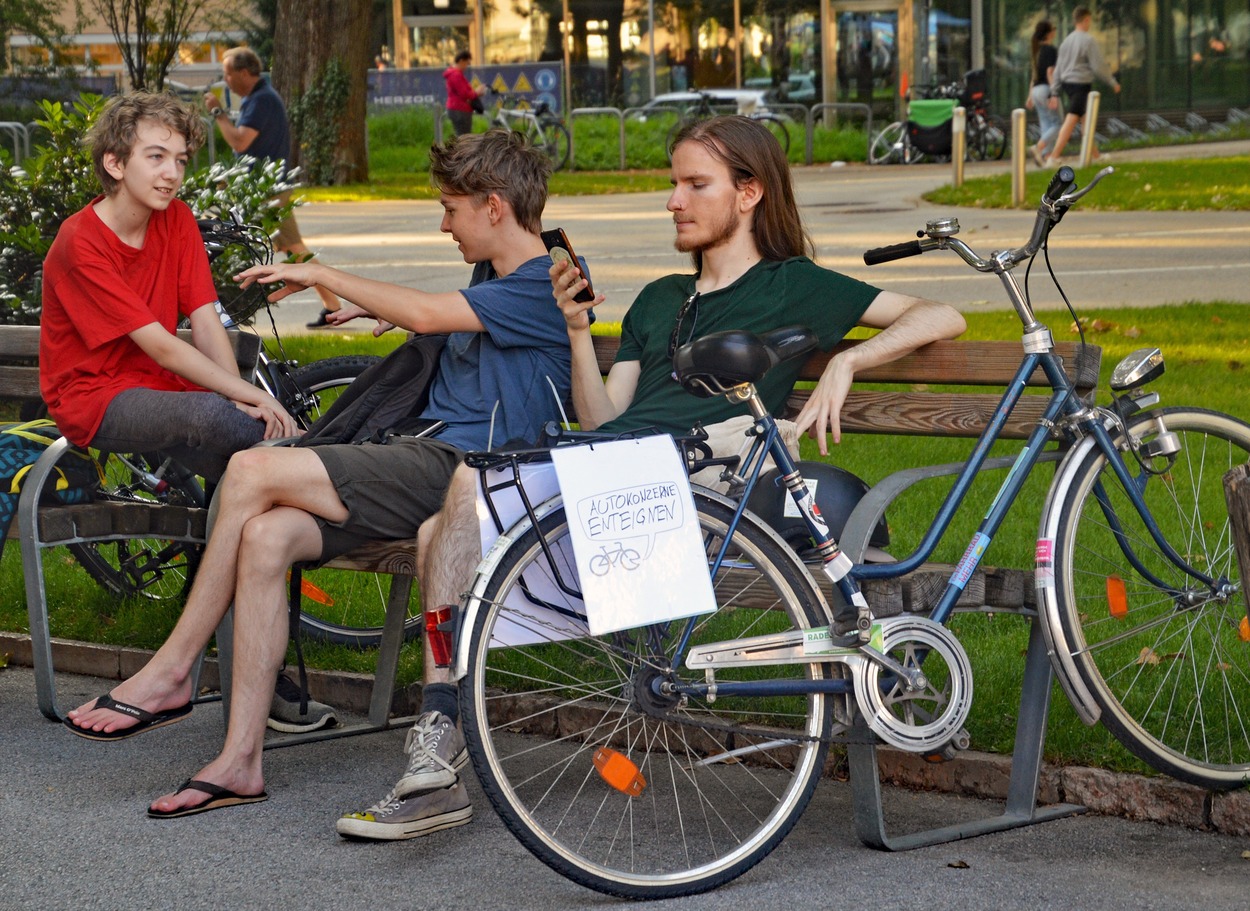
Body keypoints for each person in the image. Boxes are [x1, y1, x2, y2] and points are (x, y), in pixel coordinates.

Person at [332, 115, 967, 842]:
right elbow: (606, 422)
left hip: (694, 484)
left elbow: (940, 312)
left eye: (696, 184)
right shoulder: (661, 298)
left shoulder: (792, 286)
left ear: (750, 193)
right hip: (620, 473)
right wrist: (576, 332)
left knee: (464, 493)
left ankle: (440, 729)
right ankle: (440, 730)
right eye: (673, 183)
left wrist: (850, 359)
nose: (674, 199)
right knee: (439, 525)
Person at [62, 129, 576, 821]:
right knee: (268, 534)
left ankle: (172, 669)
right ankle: (240, 757)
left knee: (251, 468)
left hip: (466, 475)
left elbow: (431, 312)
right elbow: (445, 317)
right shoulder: (496, 279)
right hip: (422, 461)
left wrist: (326, 274)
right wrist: (385, 310)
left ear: (492, 206)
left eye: (450, 209)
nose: (443, 223)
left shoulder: (547, 281)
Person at [40, 91, 297, 486]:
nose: (172, 173)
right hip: (96, 398)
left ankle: (287, 499)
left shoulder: (176, 218)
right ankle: (313, 458)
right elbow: (160, 345)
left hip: (159, 383)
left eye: (180, 160)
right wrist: (251, 400)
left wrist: (240, 397)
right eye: (156, 157)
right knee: (214, 418)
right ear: (115, 163)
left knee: (252, 478)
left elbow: (205, 319)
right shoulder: (79, 242)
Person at [204, 47, 343, 329]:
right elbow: (250, 150)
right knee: (261, 247)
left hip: (269, 192)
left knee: (292, 248)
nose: (226, 80)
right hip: (262, 190)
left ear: (244, 73)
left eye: (228, 74)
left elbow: (239, 142)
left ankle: (334, 306)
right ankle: (332, 306)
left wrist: (218, 112)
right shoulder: (258, 99)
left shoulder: (262, 100)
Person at [1045, 7, 1121, 166]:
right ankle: (1053, 156)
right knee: (1072, 118)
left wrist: (1055, 91)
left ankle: (1095, 155)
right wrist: (1112, 82)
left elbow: (1058, 68)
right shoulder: (1088, 40)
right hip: (1081, 84)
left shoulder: (1066, 41)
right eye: (1090, 21)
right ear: (1086, 20)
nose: (1090, 24)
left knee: (1086, 120)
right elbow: (1098, 65)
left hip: (1067, 84)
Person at [1026, 20, 1061, 167]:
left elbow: (1034, 76)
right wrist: (1054, 94)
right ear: (1048, 33)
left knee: (1045, 124)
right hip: (1046, 89)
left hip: (1036, 91)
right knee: (1057, 124)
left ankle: (1045, 156)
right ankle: (1038, 148)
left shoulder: (1037, 51)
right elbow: (1050, 73)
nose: (1055, 31)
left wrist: (1029, 96)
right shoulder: (1050, 50)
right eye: (1053, 29)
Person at [444, 50, 482, 138]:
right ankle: (460, 152)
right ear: (461, 61)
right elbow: (464, 94)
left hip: (456, 108)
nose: (466, 66)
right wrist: (476, 93)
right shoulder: (456, 75)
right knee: (464, 139)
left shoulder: (453, 74)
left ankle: (457, 151)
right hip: (460, 110)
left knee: (461, 137)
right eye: (466, 63)